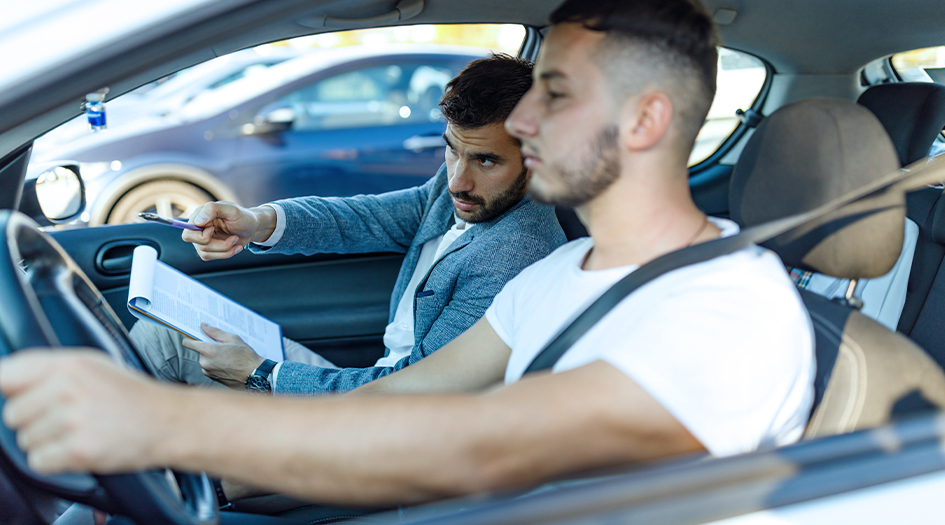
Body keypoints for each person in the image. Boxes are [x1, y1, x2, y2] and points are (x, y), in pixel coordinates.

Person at [0, 0, 814, 507]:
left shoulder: (725, 310)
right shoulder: (567, 275)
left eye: (553, 95)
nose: (524, 124)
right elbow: (416, 400)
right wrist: (192, 458)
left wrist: (156, 422)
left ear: (641, 121)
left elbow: (475, 442)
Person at [128, 53, 567, 395]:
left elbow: (416, 394)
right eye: (451, 149)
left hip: (385, 421)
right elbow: (364, 216)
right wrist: (257, 221)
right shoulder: (461, 186)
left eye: (486, 160)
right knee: (159, 333)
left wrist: (263, 375)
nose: (458, 180)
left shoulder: (516, 256)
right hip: (371, 386)